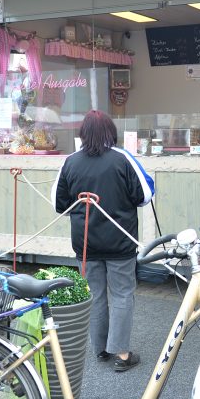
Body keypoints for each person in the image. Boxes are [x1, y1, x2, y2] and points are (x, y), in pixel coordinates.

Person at [52, 110, 154, 372]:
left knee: (95, 295)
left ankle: (100, 349)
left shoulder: (71, 161)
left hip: (85, 243)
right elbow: (144, 195)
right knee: (122, 294)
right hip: (120, 242)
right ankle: (120, 353)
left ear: (82, 134)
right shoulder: (122, 158)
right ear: (111, 132)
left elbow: (59, 203)